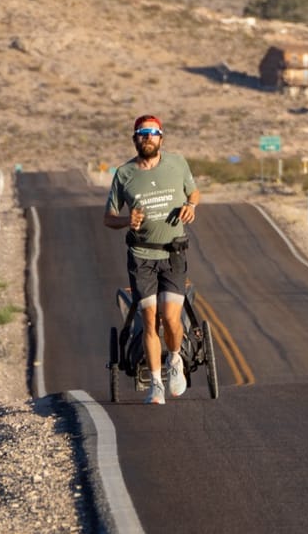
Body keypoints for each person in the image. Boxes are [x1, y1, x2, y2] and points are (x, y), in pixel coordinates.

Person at [104, 114, 201, 404]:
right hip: (141, 255)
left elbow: (193, 191)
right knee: (149, 319)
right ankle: (155, 384)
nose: (148, 137)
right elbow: (108, 218)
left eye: (153, 133)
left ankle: (174, 361)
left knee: (171, 318)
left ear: (161, 137)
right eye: (142, 133)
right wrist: (126, 221)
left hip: (172, 253)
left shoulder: (177, 164)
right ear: (135, 138)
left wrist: (191, 205)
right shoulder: (124, 174)